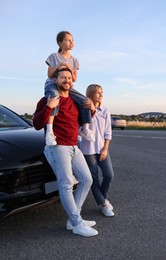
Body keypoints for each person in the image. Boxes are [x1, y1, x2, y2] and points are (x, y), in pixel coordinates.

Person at [33, 67, 98, 237]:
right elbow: (37, 124)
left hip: (73, 145)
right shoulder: (47, 99)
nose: (67, 80)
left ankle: (73, 218)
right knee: (66, 184)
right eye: (63, 77)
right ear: (55, 80)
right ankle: (76, 223)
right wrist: (48, 107)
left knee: (86, 179)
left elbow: (78, 120)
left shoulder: (75, 102)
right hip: (57, 147)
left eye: (69, 78)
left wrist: (91, 109)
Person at [44, 31, 94, 146]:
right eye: (68, 40)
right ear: (60, 43)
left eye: (72, 40)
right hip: (52, 83)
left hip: (68, 85)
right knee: (54, 98)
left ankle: (85, 128)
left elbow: (74, 78)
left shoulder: (75, 60)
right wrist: (59, 66)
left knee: (85, 100)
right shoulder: (54, 56)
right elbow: (50, 75)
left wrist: (68, 69)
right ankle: (50, 133)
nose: (71, 42)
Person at [79, 84, 115, 217]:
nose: (101, 95)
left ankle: (102, 199)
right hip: (88, 150)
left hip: (101, 149)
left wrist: (105, 149)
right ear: (90, 94)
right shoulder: (83, 110)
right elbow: (79, 129)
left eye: (102, 92)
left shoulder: (105, 110)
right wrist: (91, 110)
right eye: (98, 92)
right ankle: (104, 204)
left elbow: (108, 132)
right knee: (94, 179)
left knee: (109, 175)